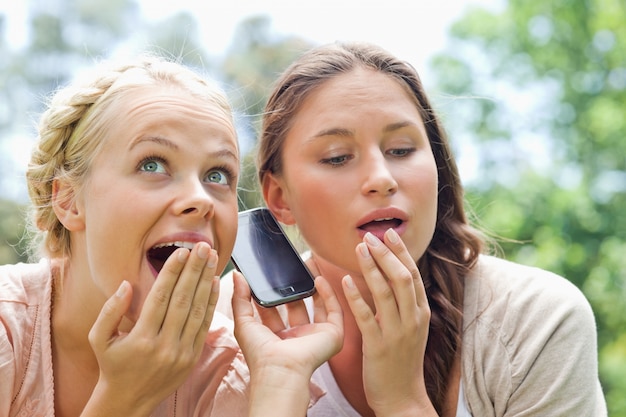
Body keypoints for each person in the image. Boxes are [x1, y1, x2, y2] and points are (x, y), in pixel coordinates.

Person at [218, 41, 607, 416]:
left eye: (401, 150)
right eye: (337, 158)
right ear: (280, 197)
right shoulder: (227, 325)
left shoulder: (534, 321)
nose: (381, 178)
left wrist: (403, 402)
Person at [0, 55, 343, 417]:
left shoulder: (233, 379)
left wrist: (279, 379)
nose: (200, 198)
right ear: (68, 200)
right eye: (152, 165)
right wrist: (122, 401)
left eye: (217, 175)